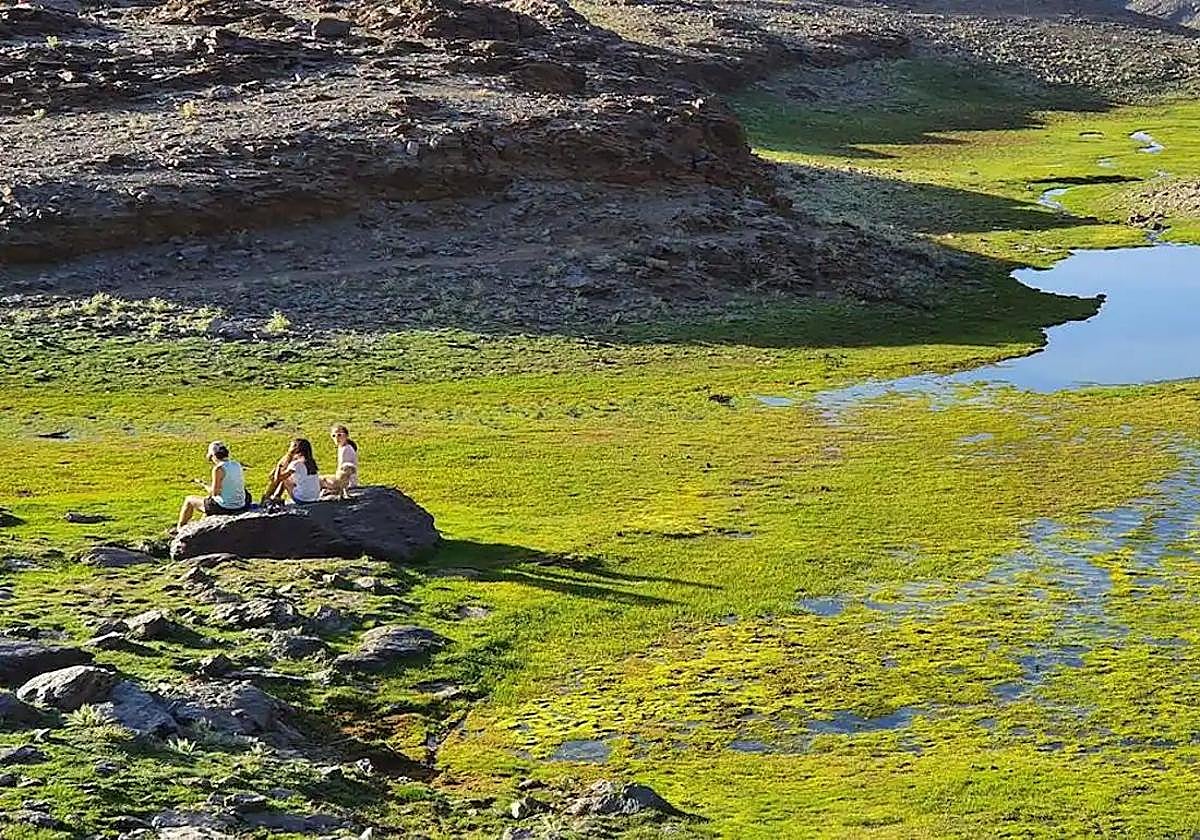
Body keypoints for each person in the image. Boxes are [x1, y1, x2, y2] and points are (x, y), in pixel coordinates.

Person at [177, 441, 250, 529]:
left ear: (213, 455)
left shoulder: (219, 469)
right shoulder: (236, 464)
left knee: (189, 500)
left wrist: (204, 485)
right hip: (241, 505)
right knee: (208, 501)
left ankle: (180, 529)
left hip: (225, 507)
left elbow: (215, 493)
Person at [261, 438, 321, 505]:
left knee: (285, 480)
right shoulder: (311, 462)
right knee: (291, 479)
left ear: (295, 449)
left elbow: (278, 478)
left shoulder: (296, 464)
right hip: (315, 497)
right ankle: (276, 497)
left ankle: (275, 497)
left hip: (303, 499)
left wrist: (279, 465)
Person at [320, 423, 359, 498]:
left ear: (346, 436)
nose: (336, 438)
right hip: (343, 481)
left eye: (339, 435)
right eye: (333, 436)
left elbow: (344, 474)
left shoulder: (346, 449)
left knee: (321, 480)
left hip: (347, 483)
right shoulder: (342, 448)